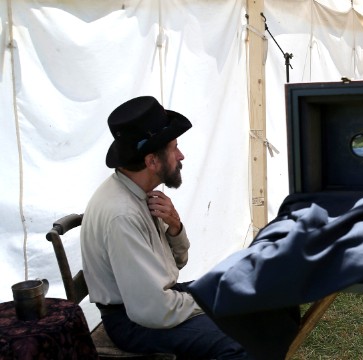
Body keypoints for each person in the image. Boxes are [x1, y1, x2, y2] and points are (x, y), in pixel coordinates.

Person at [80, 96, 248, 359]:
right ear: (152, 162)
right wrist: (208, 301)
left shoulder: (139, 194)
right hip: (133, 321)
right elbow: (154, 310)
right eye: (174, 148)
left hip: (155, 301)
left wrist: (175, 227)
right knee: (240, 341)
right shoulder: (122, 215)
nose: (181, 156)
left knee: (244, 295)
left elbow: (175, 265)